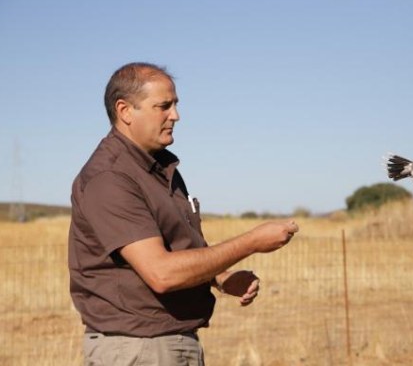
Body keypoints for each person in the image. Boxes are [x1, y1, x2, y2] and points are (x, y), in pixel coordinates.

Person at [68, 62, 299, 365]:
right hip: (137, 349)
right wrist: (252, 242)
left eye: (175, 104)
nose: (175, 115)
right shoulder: (110, 178)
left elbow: (175, 247)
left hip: (166, 344)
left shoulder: (159, 169)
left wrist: (220, 277)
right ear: (125, 110)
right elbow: (161, 273)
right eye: (163, 106)